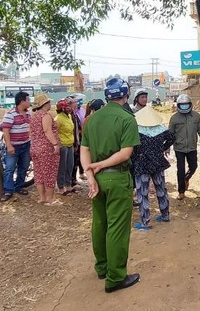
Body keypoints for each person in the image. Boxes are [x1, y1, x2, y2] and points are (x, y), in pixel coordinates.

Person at [81, 78, 140, 293]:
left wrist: (90, 174)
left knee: (100, 222)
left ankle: (102, 267)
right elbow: (126, 153)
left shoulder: (93, 119)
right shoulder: (127, 119)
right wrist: (102, 164)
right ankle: (115, 278)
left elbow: (84, 149)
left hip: (96, 179)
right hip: (117, 178)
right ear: (125, 95)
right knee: (117, 226)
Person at [132, 107, 174, 230]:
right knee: (161, 188)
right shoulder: (161, 129)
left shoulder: (136, 130)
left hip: (142, 162)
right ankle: (165, 215)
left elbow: (132, 147)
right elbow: (172, 138)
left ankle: (145, 222)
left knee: (142, 192)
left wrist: (135, 158)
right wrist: (161, 148)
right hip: (158, 161)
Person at [169, 94, 200, 200]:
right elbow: (170, 134)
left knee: (193, 166)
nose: (184, 107)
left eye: (186, 105)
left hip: (192, 147)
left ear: (190, 105)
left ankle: (186, 179)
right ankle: (181, 191)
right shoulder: (174, 118)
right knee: (180, 169)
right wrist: (167, 147)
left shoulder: (196, 116)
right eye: (182, 105)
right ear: (178, 105)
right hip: (179, 148)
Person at [0, 91, 32, 202]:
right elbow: (6, 130)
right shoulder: (11, 114)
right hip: (14, 145)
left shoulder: (28, 114)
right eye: (28, 100)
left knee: (24, 167)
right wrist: (9, 146)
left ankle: (19, 186)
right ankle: (8, 190)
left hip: (25, 144)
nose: (29, 102)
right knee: (10, 168)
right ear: (22, 101)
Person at [28, 93, 60, 205]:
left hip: (35, 147)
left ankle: (42, 197)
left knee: (39, 172)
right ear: (45, 104)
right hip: (46, 148)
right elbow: (47, 131)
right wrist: (55, 144)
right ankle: (50, 198)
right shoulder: (45, 115)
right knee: (49, 172)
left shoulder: (34, 116)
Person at [55, 98, 78, 195]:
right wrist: (58, 144)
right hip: (63, 146)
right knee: (62, 167)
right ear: (62, 108)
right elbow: (55, 132)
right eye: (67, 106)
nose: (69, 108)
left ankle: (68, 185)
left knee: (70, 165)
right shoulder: (58, 118)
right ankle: (61, 187)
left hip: (70, 145)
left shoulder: (68, 116)